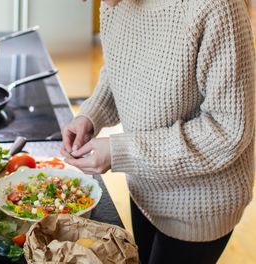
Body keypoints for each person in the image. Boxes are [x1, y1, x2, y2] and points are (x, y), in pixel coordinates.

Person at [61, 0, 255, 263]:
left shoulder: (214, 7)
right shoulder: (114, 3)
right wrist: (90, 115)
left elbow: (227, 131)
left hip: (198, 205)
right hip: (145, 186)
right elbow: (120, 67)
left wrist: (122, 151)